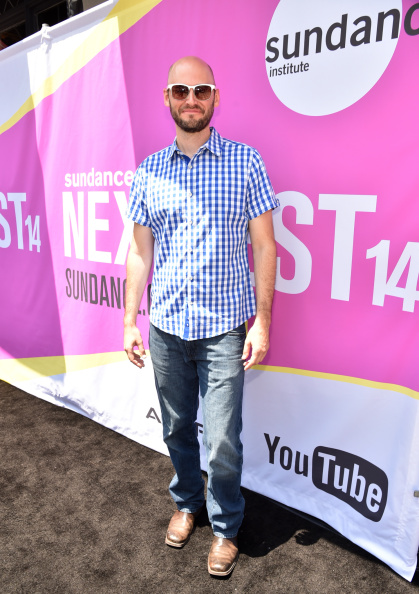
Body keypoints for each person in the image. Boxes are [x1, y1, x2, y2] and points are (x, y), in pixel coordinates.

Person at [124, 56, 279, 576]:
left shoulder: (246, 161)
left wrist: (262, 322)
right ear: (166, 98)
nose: (191, 99)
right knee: (174, 429)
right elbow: (140, 253)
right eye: (181, 90)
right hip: (165, 327)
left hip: (224, 329)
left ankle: (227, 525)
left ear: (216, 97)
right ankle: (188, 503)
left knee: (222, 441)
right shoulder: (148, 170)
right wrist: (129, 320)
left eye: (202, 90)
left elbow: (265, 247)